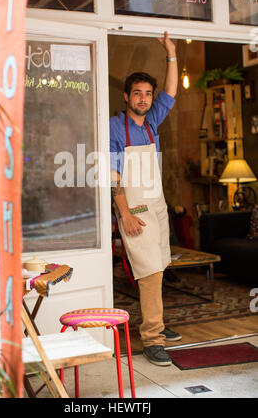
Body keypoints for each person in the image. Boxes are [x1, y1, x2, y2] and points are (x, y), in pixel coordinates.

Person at [110, 32, 181, 366]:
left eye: (147, 94)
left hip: (156, 205)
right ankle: (152, 338)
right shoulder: (113, 127)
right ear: (126, 96)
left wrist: (171, 54)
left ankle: (158, 325)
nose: (143, 98)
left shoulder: (152, 122)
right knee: (149, 272)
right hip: (134, 209)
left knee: (160, 265)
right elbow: (112, 175)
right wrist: (123, 213)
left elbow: (171, 92)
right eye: (137, 93)